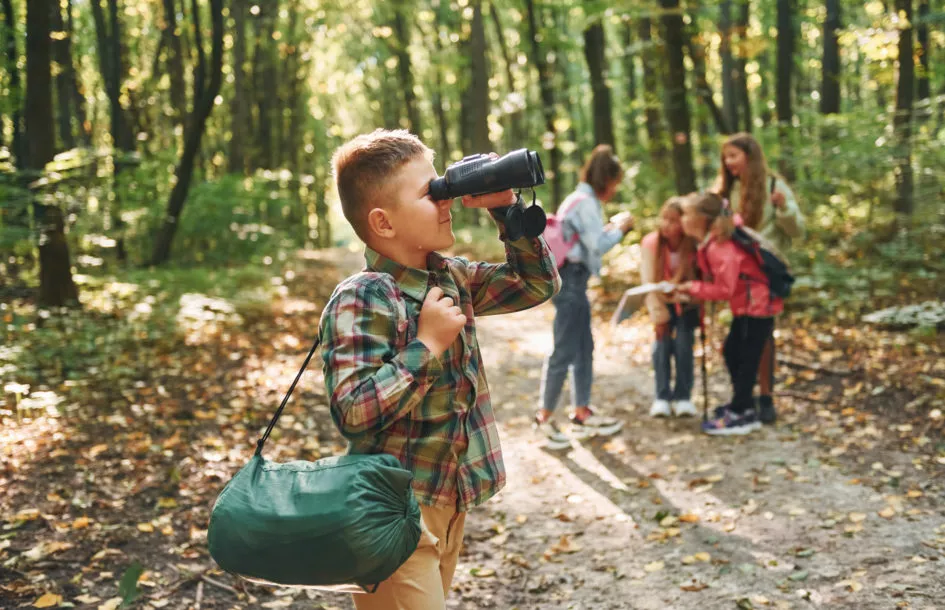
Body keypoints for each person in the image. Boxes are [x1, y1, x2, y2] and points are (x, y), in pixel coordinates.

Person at [319, 129, 560, 609]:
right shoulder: (363, 296)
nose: (444, 199)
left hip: (446, 497)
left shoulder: (449, 276)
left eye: (441, 186)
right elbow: (353, 410)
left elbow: (535, 284)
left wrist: (505, 211)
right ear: (383, 223)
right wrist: (426, 345)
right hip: (389, 507)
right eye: (429, 193)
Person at [535, 145, 634, 449]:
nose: (615, 190)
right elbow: (597, 246)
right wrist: (620, 229)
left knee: (583, 347)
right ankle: (544, 418)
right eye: (615, 183)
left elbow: (584, 241)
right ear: (606, 179)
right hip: (572, 281)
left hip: (572, 279)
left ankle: (582, 413)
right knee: (564, 349)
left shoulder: (577, 199)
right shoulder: (587, 203)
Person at [714, 133, 805, 424]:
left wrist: (783, 209)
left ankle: (765, 398)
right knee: (738, 339)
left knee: (763, 337)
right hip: (737, 276)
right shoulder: (726, 191)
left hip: (766, 272)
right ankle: (745, 395)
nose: (728, 164)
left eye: (733, 156)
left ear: (749, 156)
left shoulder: (775, 186)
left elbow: (797, 231)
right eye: (725, 158)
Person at [675, 192, 783, 436]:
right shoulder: (714, 242)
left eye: (686, 215)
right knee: (734, 351)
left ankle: (741, 412)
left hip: (757, 307)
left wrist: (693, 288)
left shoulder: (720, 246)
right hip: (749, 306)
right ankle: (742, 404)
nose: (682, 220)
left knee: (745, 358)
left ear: (701, 219)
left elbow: (725, 289)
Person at [640, 197, 700, 418]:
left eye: (673, 220)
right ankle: (662, 396)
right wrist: (658, 316)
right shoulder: (650, 243)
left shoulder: (693, 245)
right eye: (664, 218)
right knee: (661, 346)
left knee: (684, 345)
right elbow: (648, 283)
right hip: (660, 302)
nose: (666, 224)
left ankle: (683, 396)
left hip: (686, 304)